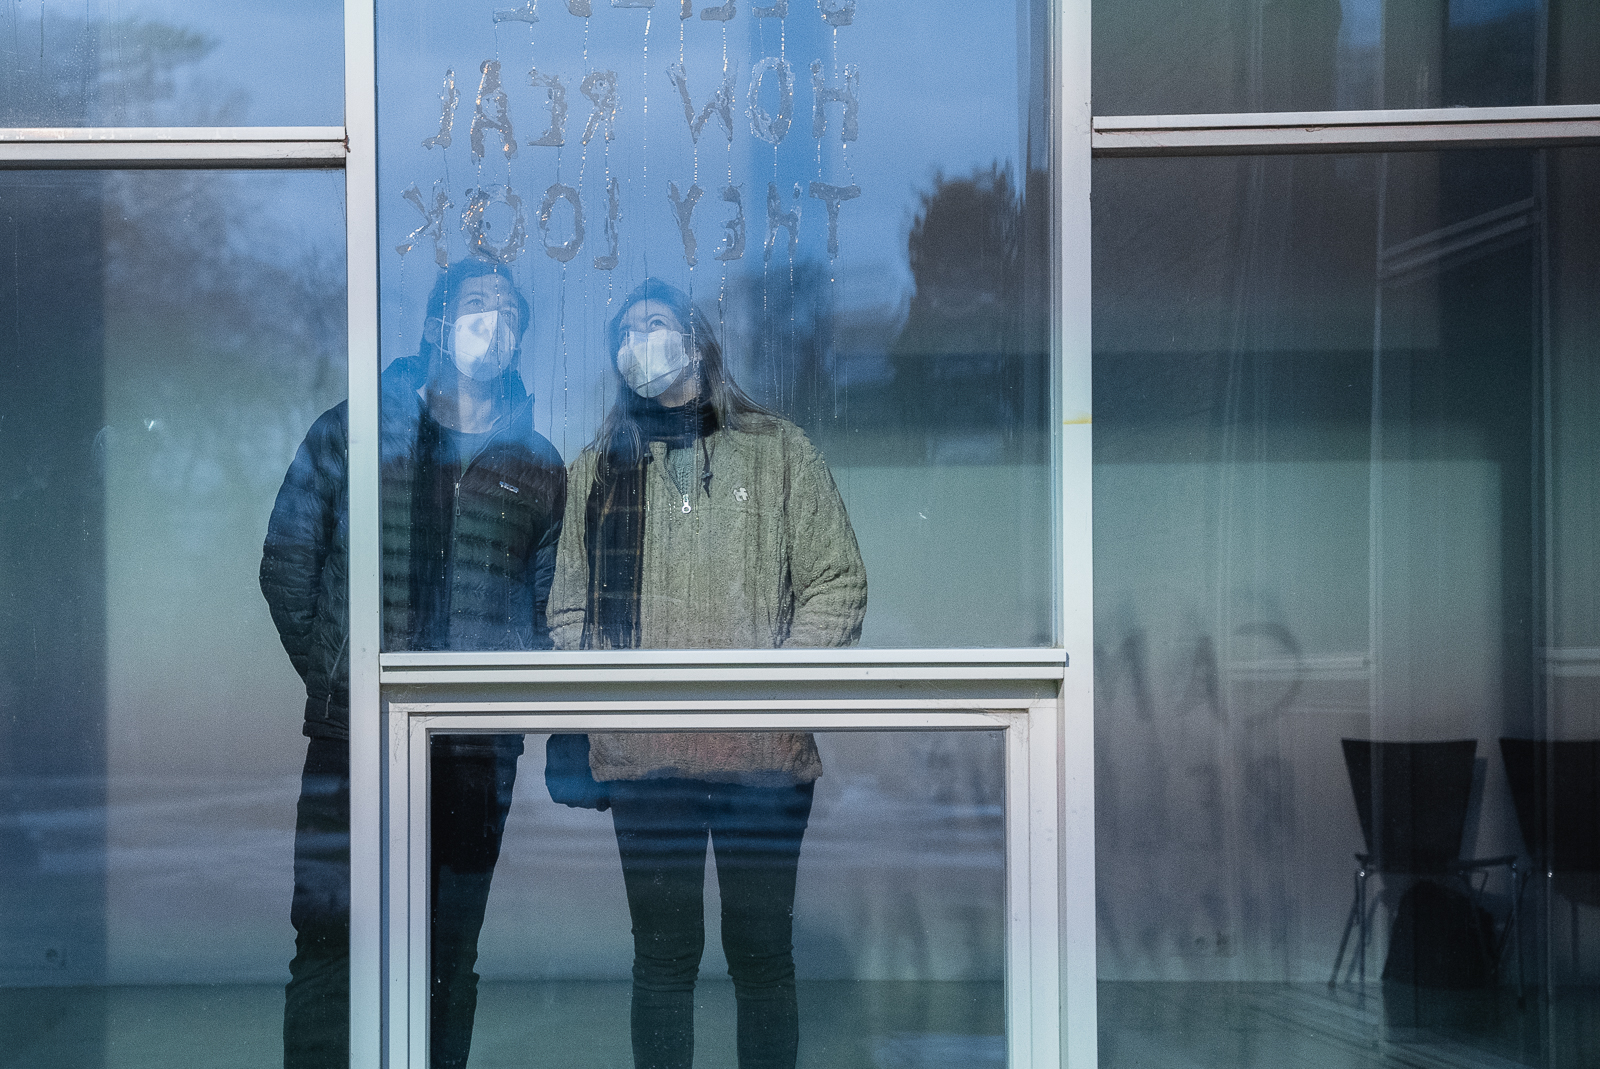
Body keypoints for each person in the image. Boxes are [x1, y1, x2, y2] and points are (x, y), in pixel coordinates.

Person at [548, 278, 867, 1069]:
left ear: (696, 341)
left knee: (761, 954)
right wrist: (604, 706)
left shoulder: (778, 451)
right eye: (625, 333)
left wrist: (778, 688)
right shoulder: (598, 471)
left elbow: (836, 581)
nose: (638, 344)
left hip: (761, 757)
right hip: (645, 758)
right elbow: (569, 610)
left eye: (654, 324)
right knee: (662, 958)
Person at [261, 259, 566, 1069]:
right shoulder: (356, 429)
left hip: (474, 751)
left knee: (447, 953)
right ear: (435, 324)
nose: (493, 324)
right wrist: (339, 679)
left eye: (509, 312)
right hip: (354, 741)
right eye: (476, 305)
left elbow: (544, 609)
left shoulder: (536, 462)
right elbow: (288, 564)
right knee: (331, 939)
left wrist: (514, 710)